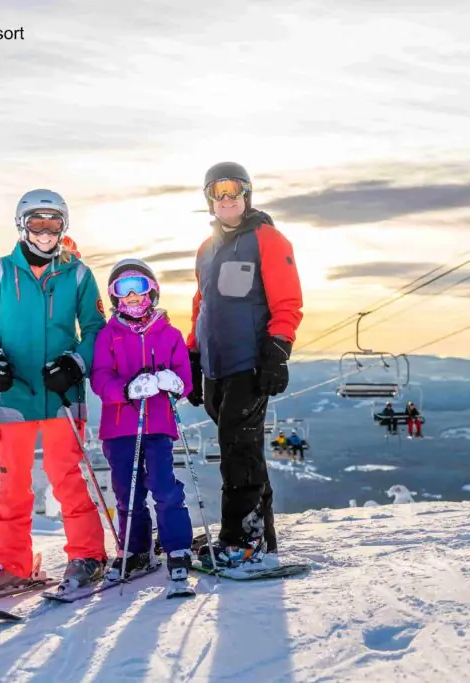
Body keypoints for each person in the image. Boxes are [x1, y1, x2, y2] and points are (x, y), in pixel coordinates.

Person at [0, 189, 108, 594]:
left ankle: (87, 556)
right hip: (12, 393)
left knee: (64, 474)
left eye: (54, 223)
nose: (45, 231)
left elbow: (96, 330)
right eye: (37, 222)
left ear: (64, 226)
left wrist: (74, 364)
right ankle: (12, 563)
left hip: (60, 393)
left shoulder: (79, 274)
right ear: (22, 225)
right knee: (13, 481)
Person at [184, 161, 304, 569]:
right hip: (216, 367)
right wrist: (193, 356)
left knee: (238, 449)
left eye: (234, 190)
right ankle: (261, 537)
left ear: (247, 194)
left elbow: (288, 300)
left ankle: (242, 540)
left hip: (249, 364)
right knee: (242, 450)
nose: (227, 198)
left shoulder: (267, 239)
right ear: (209, 200)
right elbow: (202, 306)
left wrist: (278, 349)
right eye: (218, 192)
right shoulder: (207, 249)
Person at [89, 259, 195, 588]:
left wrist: (172, 382)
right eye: (123, 289)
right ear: (114, 297)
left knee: (164, 487)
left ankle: (177, 546)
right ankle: (136, 550)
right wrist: (126, 389)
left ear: (153, 292)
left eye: (138, 286)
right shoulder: (109, 335)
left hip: (159, 425)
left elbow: (185, 380)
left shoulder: (169, 334)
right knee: (127, 493)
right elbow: (99, 378)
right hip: (120, 426)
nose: (132, 295)